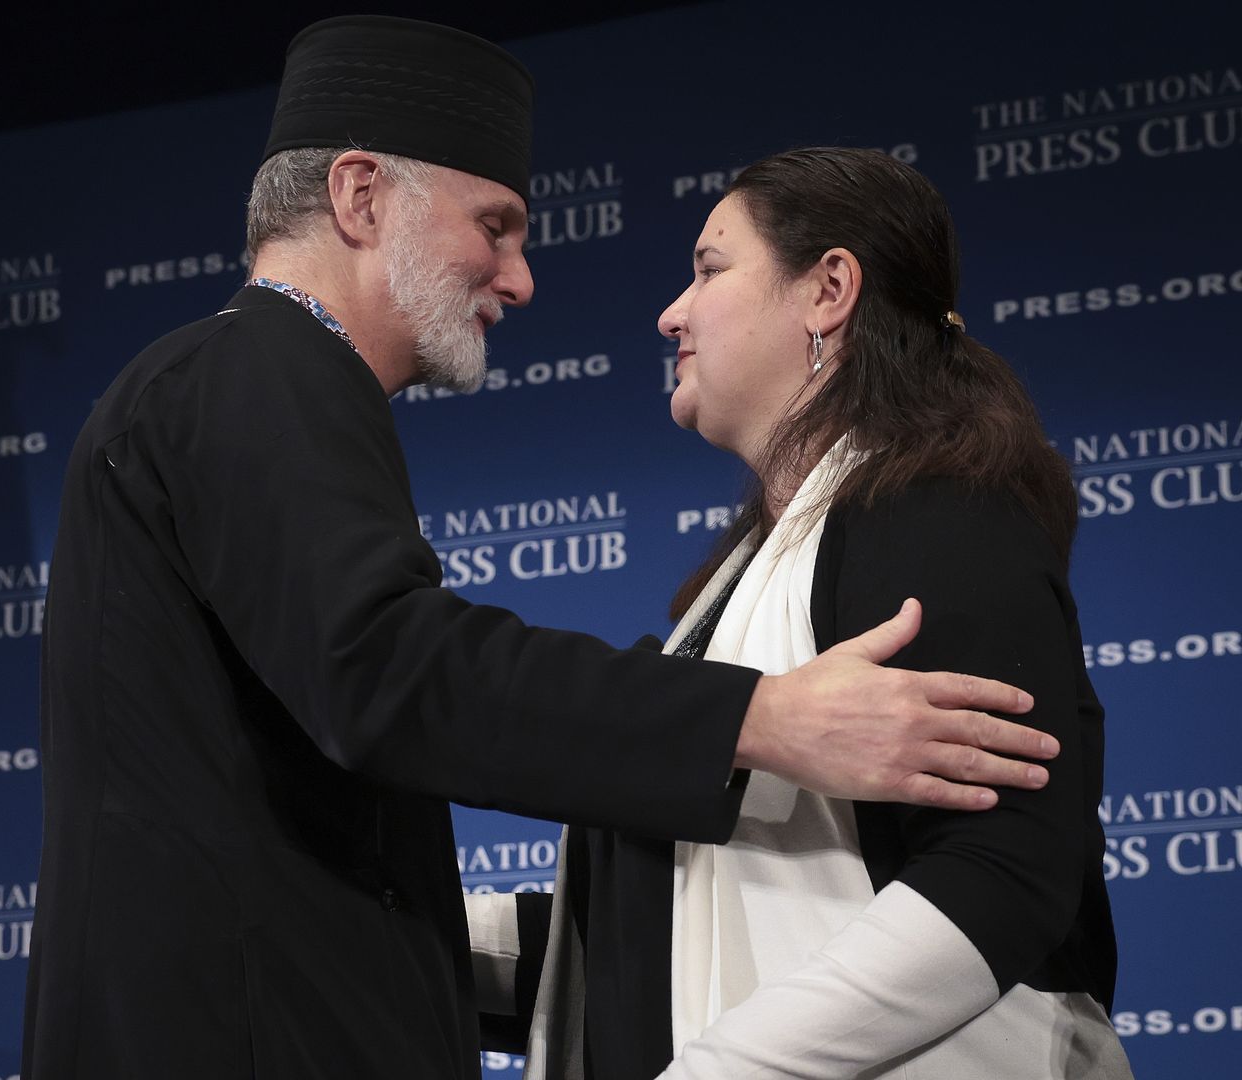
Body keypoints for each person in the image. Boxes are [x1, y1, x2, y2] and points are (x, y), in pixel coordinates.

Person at [22, 20, 1055, 1080]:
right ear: (362, 197)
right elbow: (385, 667)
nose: (518, 280)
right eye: (495, 226)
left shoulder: (928, 514)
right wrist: (762, 718)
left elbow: (1006, 869)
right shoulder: (253, 373)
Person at [473, 147, 1130, 1079]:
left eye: (710, 269)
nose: (671, 312)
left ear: (828, 291)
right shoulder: (743, 580)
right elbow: (666, 940)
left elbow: (1001, 870)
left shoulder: (937, 508)